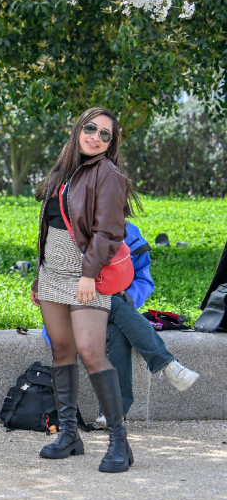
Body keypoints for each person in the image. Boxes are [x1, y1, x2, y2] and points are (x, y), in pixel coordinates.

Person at [30, 107, 137, 473]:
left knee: (91, 352)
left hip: (86, 276)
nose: (95, 137)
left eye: (105, 134)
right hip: (52, 274)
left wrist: (89, 274)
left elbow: (109, 232)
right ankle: (69, 435)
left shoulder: (108, 175)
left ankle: (120, 442)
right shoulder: (62, 172)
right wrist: (39, 278)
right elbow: (50, 228)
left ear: (111, 143)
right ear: (78, 129)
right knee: (62, 350)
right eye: (91, 128)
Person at [42, 221, 201, 427]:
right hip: (69, 311)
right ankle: (167, 364)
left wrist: (126, 295)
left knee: (117, 331)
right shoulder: (68, 229)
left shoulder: (130, 233)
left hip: (110, 314)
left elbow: (143, 281)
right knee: (112, 303)